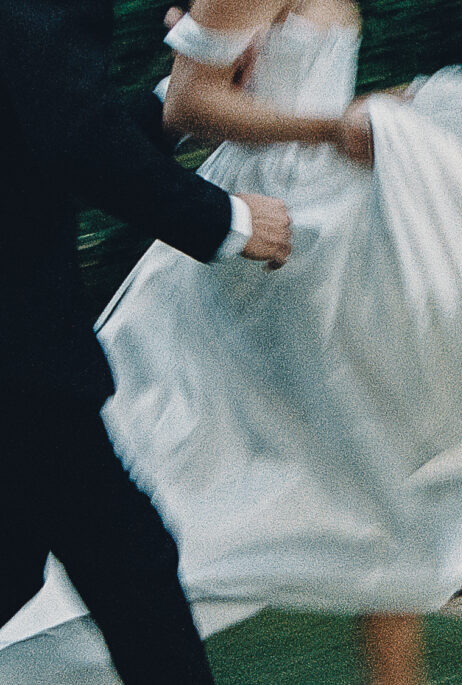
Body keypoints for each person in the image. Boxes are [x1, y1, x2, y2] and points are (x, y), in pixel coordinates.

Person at [0, 1, 462, 683]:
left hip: (56, 329)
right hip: (235, 257)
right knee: (132, 555)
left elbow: (61, 127)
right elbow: (83, 134)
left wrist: (368, 118)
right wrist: (239, 206)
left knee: (110, 560)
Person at [0, 1, 299, 683]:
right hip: (18, 354)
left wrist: (173, 106)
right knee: (131, 567)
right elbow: (73, 137)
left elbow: (41, 138)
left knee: (24, 560)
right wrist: (224, 219)